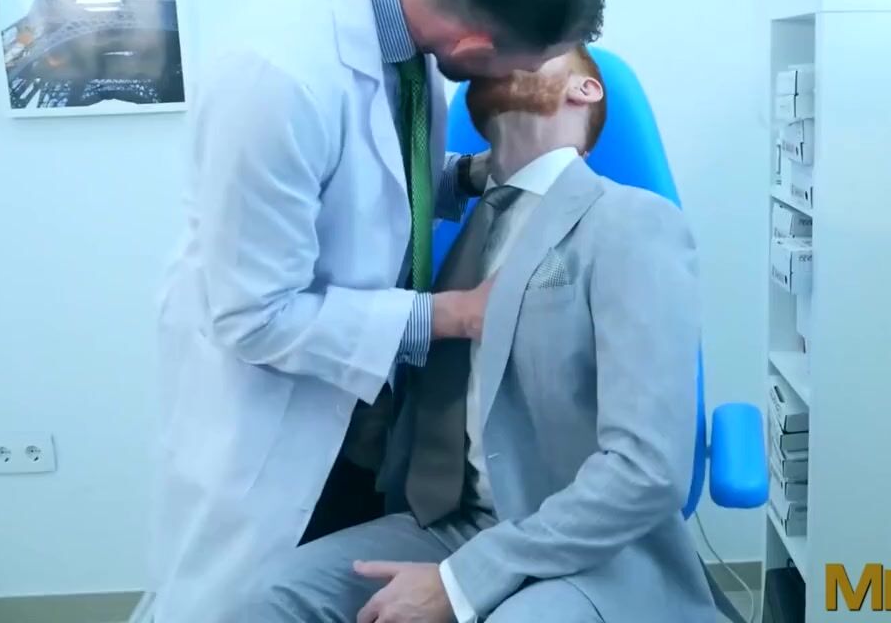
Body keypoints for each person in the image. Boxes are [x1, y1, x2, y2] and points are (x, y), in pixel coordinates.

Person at [151, 0, 604, 621]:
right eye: (521, 65)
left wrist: (467, 176)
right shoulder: (277, 78)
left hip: (391, 427)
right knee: (260, 600)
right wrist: (456, 315)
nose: (521, 81)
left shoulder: (408, 17)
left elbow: (372, 181)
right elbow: (253, 316)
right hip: (280, 400)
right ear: (474, 43)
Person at [237, 46, 717, 622]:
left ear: (585, 89)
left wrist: (461, 582)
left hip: (593, 551)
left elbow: (648, 467)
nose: (509, 51)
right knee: (269, 600)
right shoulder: (463, 225)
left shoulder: (631, 221)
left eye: (538, 47)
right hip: (450, 525)